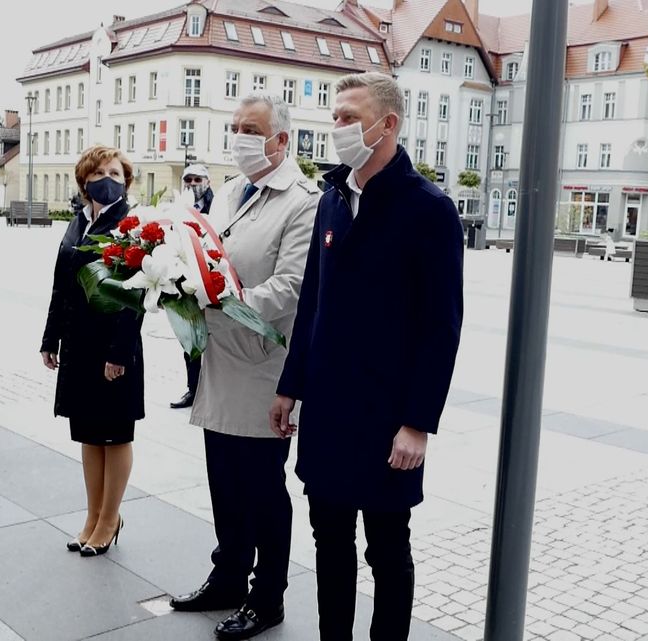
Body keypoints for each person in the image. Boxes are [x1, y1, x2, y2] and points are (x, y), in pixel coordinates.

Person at [270, 72, 464, 641]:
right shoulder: (333, 200)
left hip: (387, 419)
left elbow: (442, 326)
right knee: (329, 541)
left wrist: (417, 424)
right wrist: (290, 386)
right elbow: (312, 303)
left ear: (388, 124)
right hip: (329, 411)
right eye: (335, 117)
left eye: (348, 117)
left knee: (386, 548)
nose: (337, 128)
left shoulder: (428, 209)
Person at [170, 93, 318, 640]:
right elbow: (203, 255)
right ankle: (229, 573)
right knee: (223, 481)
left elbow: (293, 286)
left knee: (262, 489)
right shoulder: (229, 191)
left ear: (281, 139)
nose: (239, 137)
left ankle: (267, 596)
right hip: (219, 360)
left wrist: (219, 301)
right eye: (234, 126)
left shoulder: (304, 202)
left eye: (251, 128)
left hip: (262, 365)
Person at [41, 145, 143, 557]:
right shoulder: (78, 221)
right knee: (87, 432)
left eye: (117, 173)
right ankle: (93, 515)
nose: (109, 179)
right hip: (79, 343)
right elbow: (60, 284)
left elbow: (135, 296)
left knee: (114, 433)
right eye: (101, 172)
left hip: (113, 347)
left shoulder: (131, 226)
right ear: (84, 179)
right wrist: (50, 339)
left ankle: (110, 518)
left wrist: (118, 354)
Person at [170, 163, 215, 410]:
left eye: (198, 179)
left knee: (213, 341)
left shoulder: (217, 207)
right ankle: (193, 388)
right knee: (190, 339)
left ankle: (212, 391)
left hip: (210, 282)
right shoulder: (180, 208)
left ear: (207, 182)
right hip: (185, 282)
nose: (193, 184)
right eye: (189, 179)